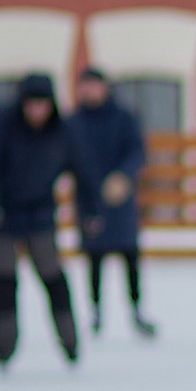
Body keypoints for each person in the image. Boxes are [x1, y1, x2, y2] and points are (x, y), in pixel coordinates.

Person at [0, 72, 82, 368]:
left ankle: (70, 341)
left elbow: (82, 168)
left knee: (52, 276)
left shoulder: (61, 130)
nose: (37, 111)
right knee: (5, 279)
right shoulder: (0, 125)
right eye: (32, 104)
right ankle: (4, 346)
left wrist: (91, 210)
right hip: (3, 215)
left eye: (43, 105)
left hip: (40, 214)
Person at [69, 67, 156, 339]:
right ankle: (95, 313)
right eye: (85, 86)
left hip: (120, 200)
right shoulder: (74, 122)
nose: (89, 91)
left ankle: (137, 309)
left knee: (130, 256)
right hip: (89, 198)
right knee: (94, 257)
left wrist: (124, 176)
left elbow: (137, 151)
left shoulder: (123, 117)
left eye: (94, 85)